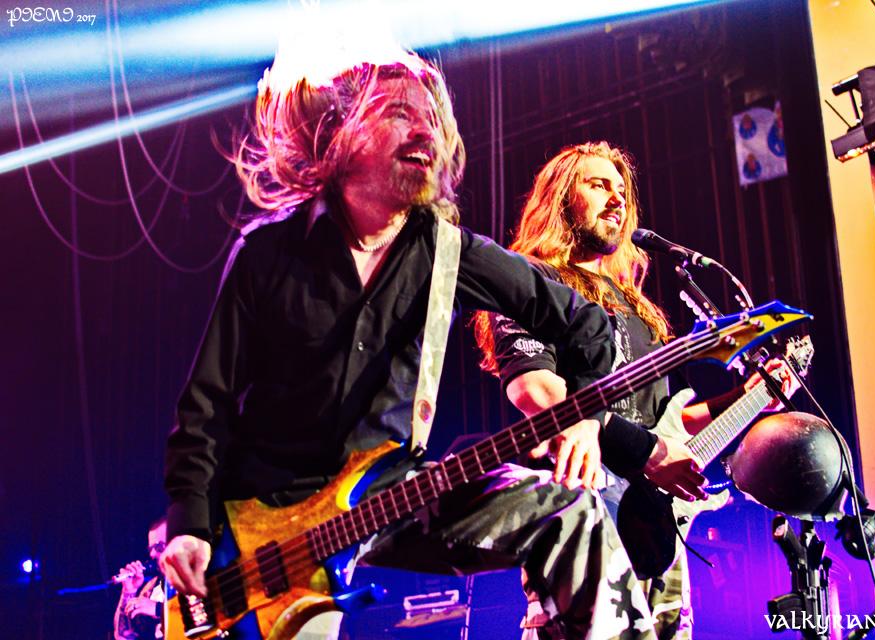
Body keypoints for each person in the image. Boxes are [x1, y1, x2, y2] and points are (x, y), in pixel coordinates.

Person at [160, 50, 661, 639]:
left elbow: (586, 326)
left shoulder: (447, 251)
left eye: (434, 120)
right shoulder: (267, 255)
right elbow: (206, 407)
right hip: (265, 530)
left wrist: (585, 419)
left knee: (572, 512)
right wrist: (190, 524)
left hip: (391, 497)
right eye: (401, 112)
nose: (427, 132)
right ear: (343, 132)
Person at [474, 141, 795, 639]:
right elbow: (537, 393)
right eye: (598, 185)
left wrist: (750, 397)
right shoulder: (532, 283)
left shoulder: (637, 307)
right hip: (582, 520)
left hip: (656, 535)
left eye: (622, 191)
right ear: (561, 198)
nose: (616, 199)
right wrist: (646, 453)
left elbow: (670, 421)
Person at [114, 518, 166, 640]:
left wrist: (158, 609)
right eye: (150, 549)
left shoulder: (200, 577)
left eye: (159, 546)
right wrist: (128, 591)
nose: (152, 554)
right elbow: (122, 637)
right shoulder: (152, 587)